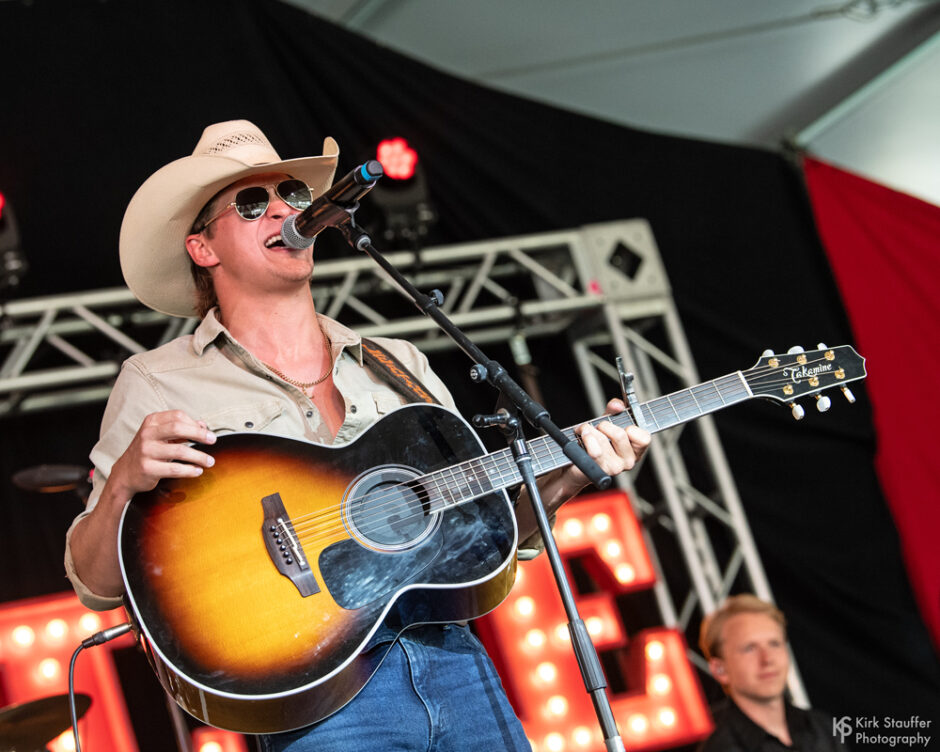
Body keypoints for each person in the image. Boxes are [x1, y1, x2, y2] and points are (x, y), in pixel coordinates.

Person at [64, 120, 650, 751]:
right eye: (253, 203)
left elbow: (485, 532)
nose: (285, 210)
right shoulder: (158, 381)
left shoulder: (398, 362)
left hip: (456, 663)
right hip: (319, 701)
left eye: (293, 193)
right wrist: (123, 481)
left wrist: (565, 477)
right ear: (203, 248)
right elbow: (95, 584)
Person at [698, 594, 848, 751]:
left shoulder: (822, 728)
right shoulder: (716, 747)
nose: (767, 659)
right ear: (720, 670)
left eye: (774, 644)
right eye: (749, 648)